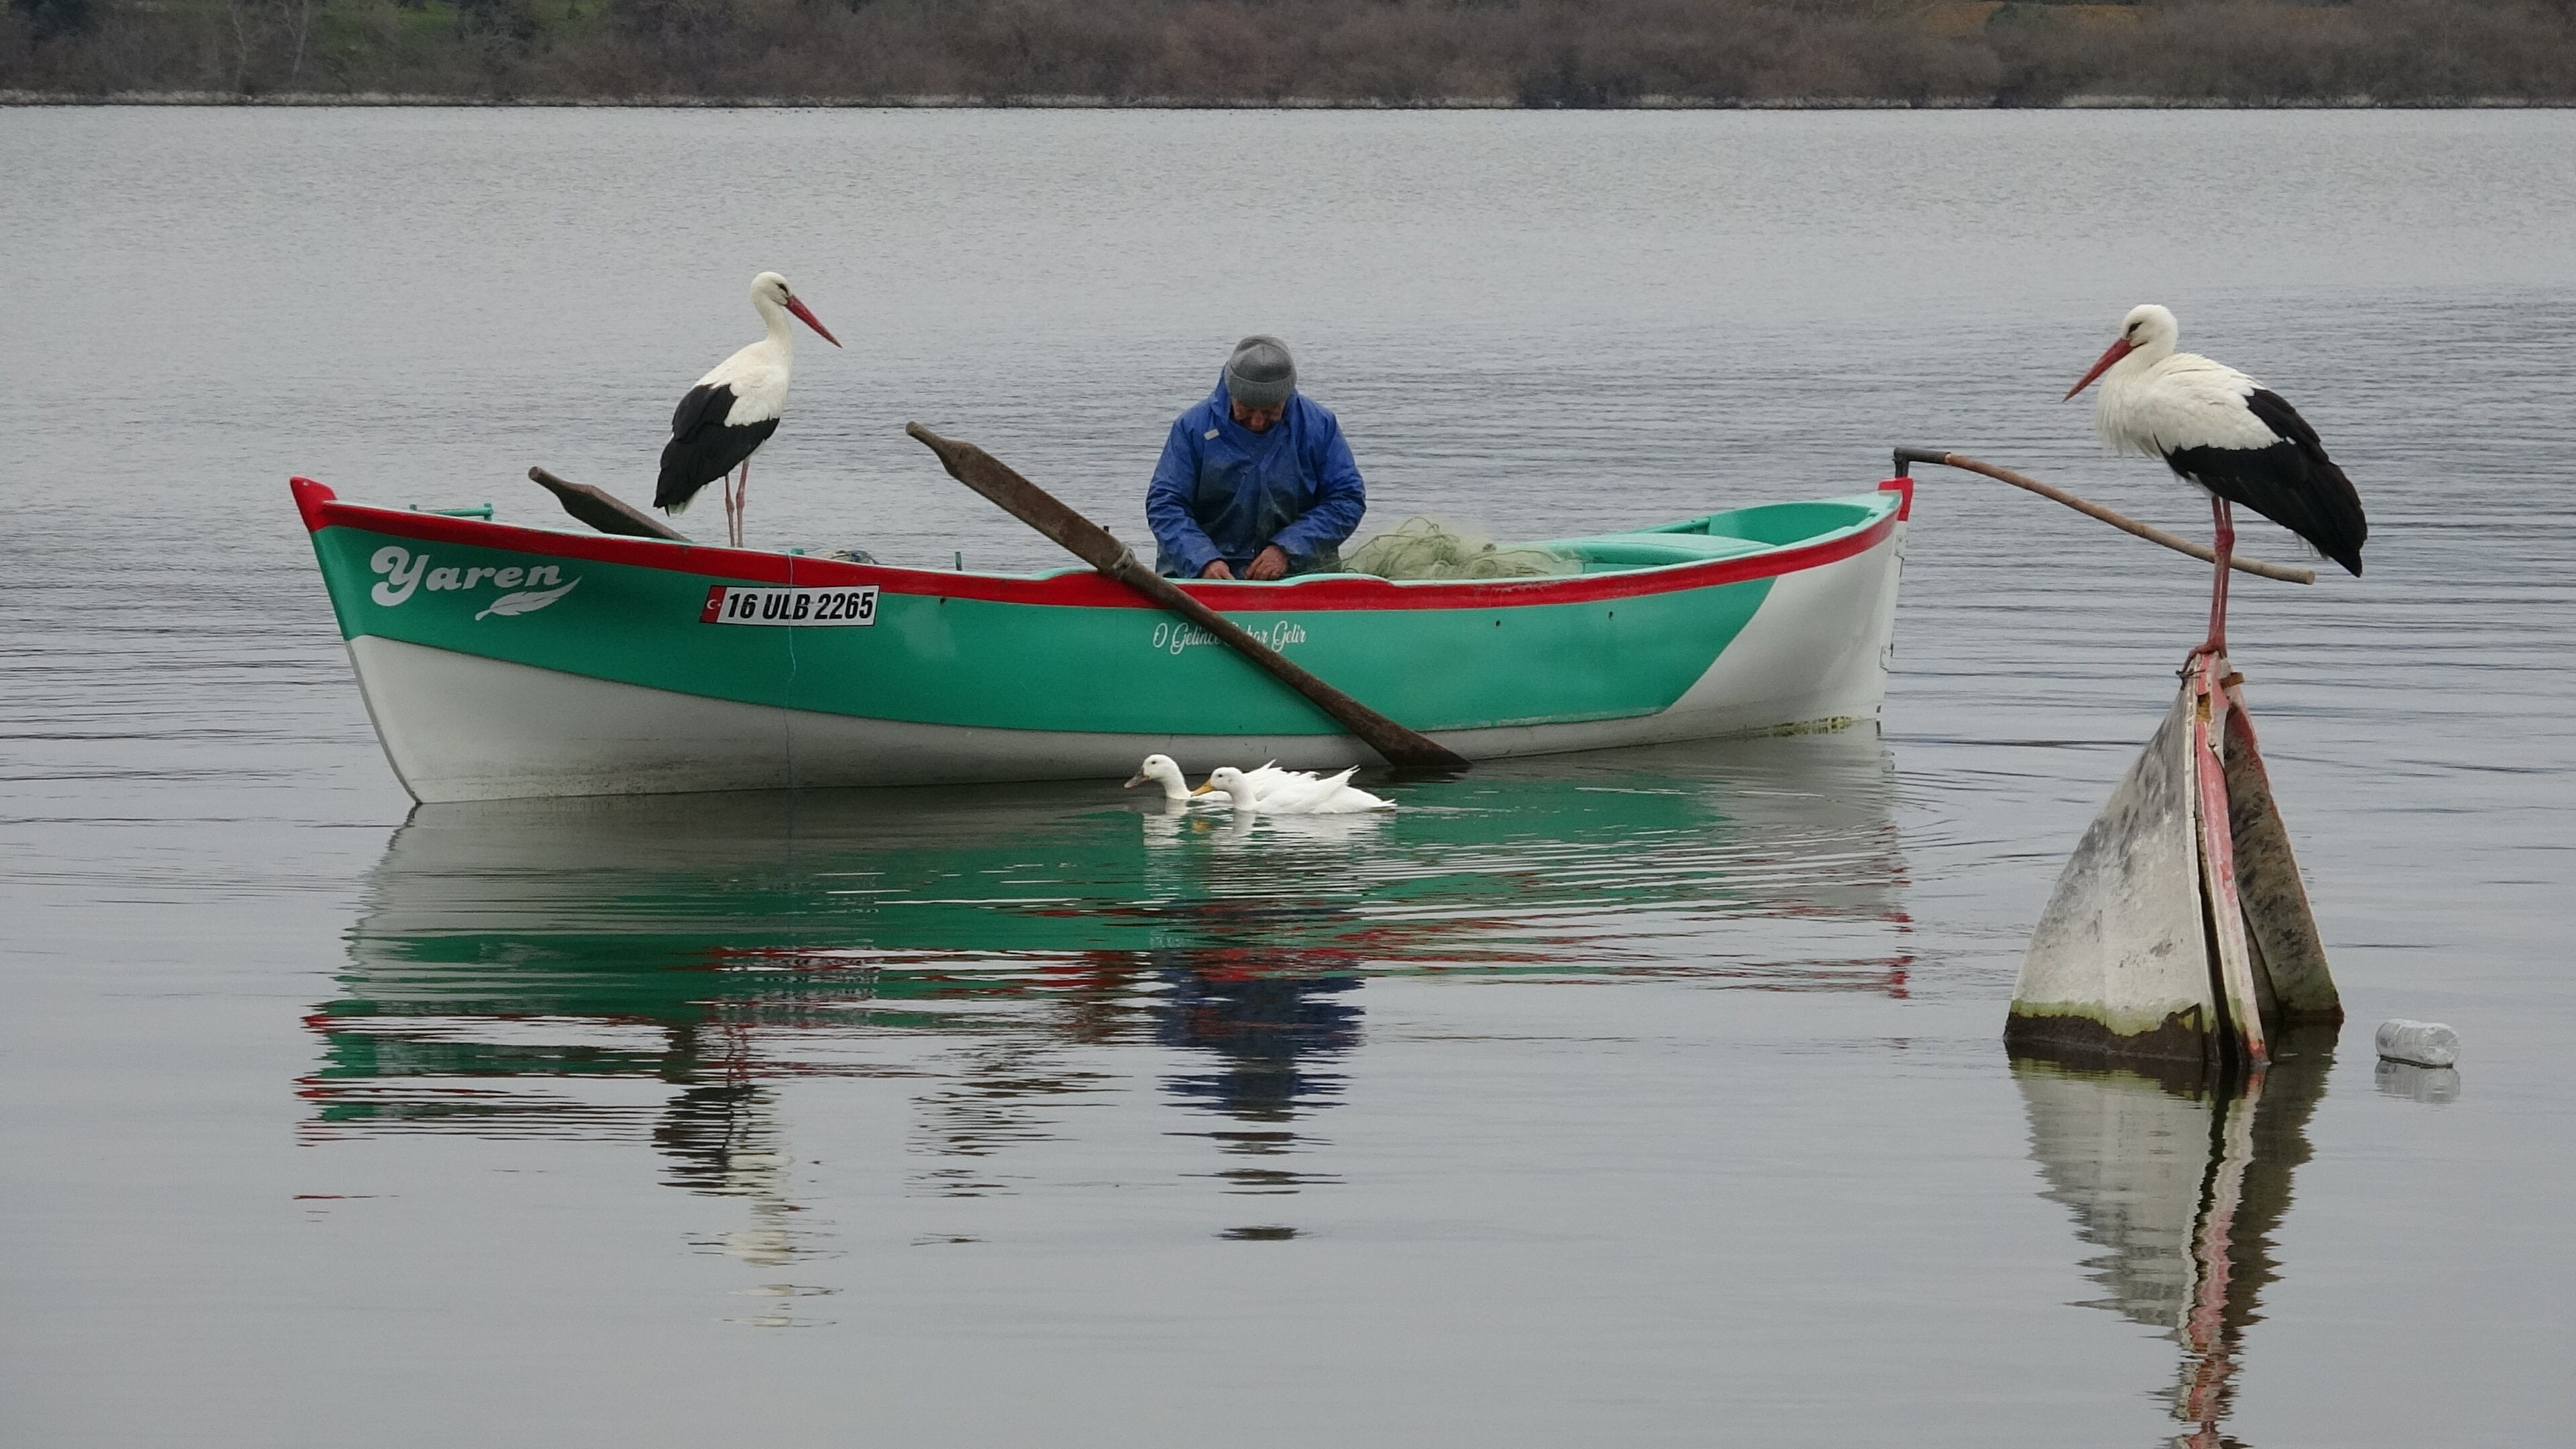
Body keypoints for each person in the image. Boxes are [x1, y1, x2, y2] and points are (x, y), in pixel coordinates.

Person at [1146, 336, 1366, 580]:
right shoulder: (1192, 428)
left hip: (1298, 574)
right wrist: (1202, 560)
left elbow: (1347, 499)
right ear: (1231, 392)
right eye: (1247, 409)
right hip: (1201, 576)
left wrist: (1287, 549)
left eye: (1270, 410)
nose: (1257, 421)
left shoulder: (1320, 426)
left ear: (1286, 396)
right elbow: (1165, 504)